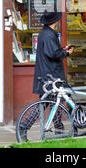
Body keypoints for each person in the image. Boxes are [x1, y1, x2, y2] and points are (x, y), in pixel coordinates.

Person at [19, 10, 73, 141]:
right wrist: (67, 53)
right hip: (51, 76)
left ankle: (59, 132)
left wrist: (62, 49)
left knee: (53, 104)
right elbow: (53, 54)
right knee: (48, 104)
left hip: (47, 74)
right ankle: (24, 126)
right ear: (55, 21)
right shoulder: (48, 35)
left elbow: (53, 51)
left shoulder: (46, 34)